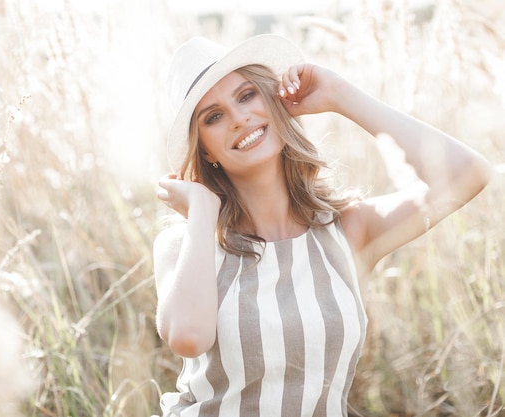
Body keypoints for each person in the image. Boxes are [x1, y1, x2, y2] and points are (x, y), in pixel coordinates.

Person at [152, 34, 491, 417]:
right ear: (205, 151)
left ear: (274, 99)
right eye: (214, 117)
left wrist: (340, 95)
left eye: (247, 95)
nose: (239, 118)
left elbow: (470, 174)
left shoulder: (351, 230)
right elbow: (188, 337)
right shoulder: (184, 243)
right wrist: (201, 209)